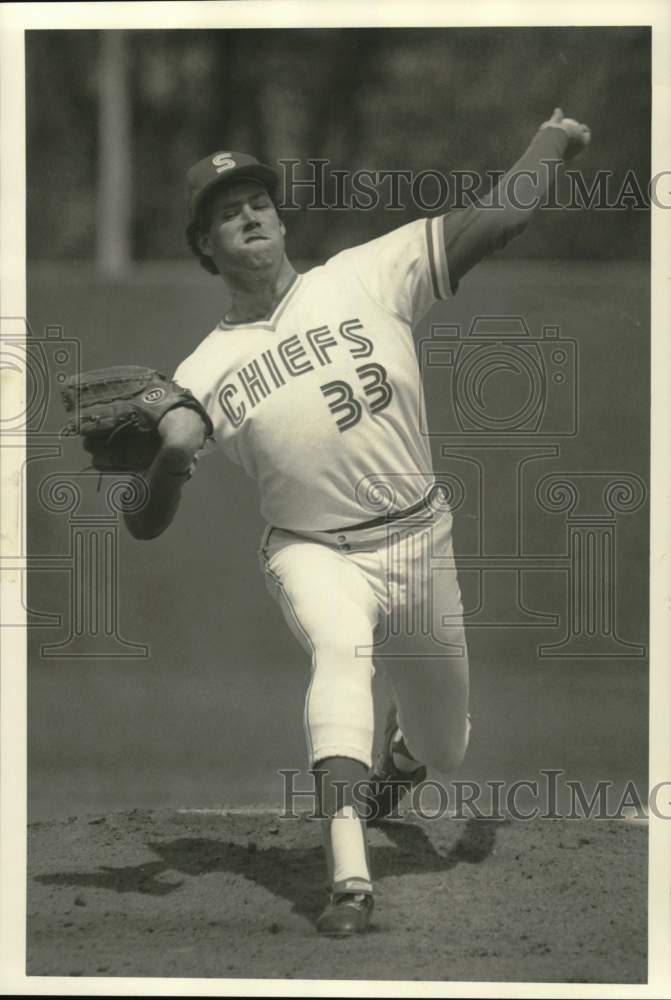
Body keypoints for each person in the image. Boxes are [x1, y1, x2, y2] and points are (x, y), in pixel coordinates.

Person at [123, 108, 590, 935]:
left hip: (420, 538)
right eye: (226, 211)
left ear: (279, 216)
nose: (248, 215)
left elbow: (501, 214)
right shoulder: (197, 373)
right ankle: (348, 878)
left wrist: (551, 139)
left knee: (448, 746)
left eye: (257, 199)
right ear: (204, 246)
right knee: (341, 654)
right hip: (314, 551)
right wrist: (165, 458)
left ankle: (402, 758)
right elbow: (141, 522)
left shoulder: (365, 274)